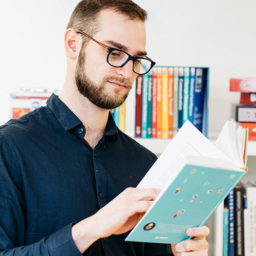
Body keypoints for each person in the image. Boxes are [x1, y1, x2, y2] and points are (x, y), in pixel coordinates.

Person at [0, 0, 209, 255]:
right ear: (73, 44)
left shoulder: (144, 162)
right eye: (115, 52)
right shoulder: (9, 148)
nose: (126, 72)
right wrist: (93, 227)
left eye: (137, 59)